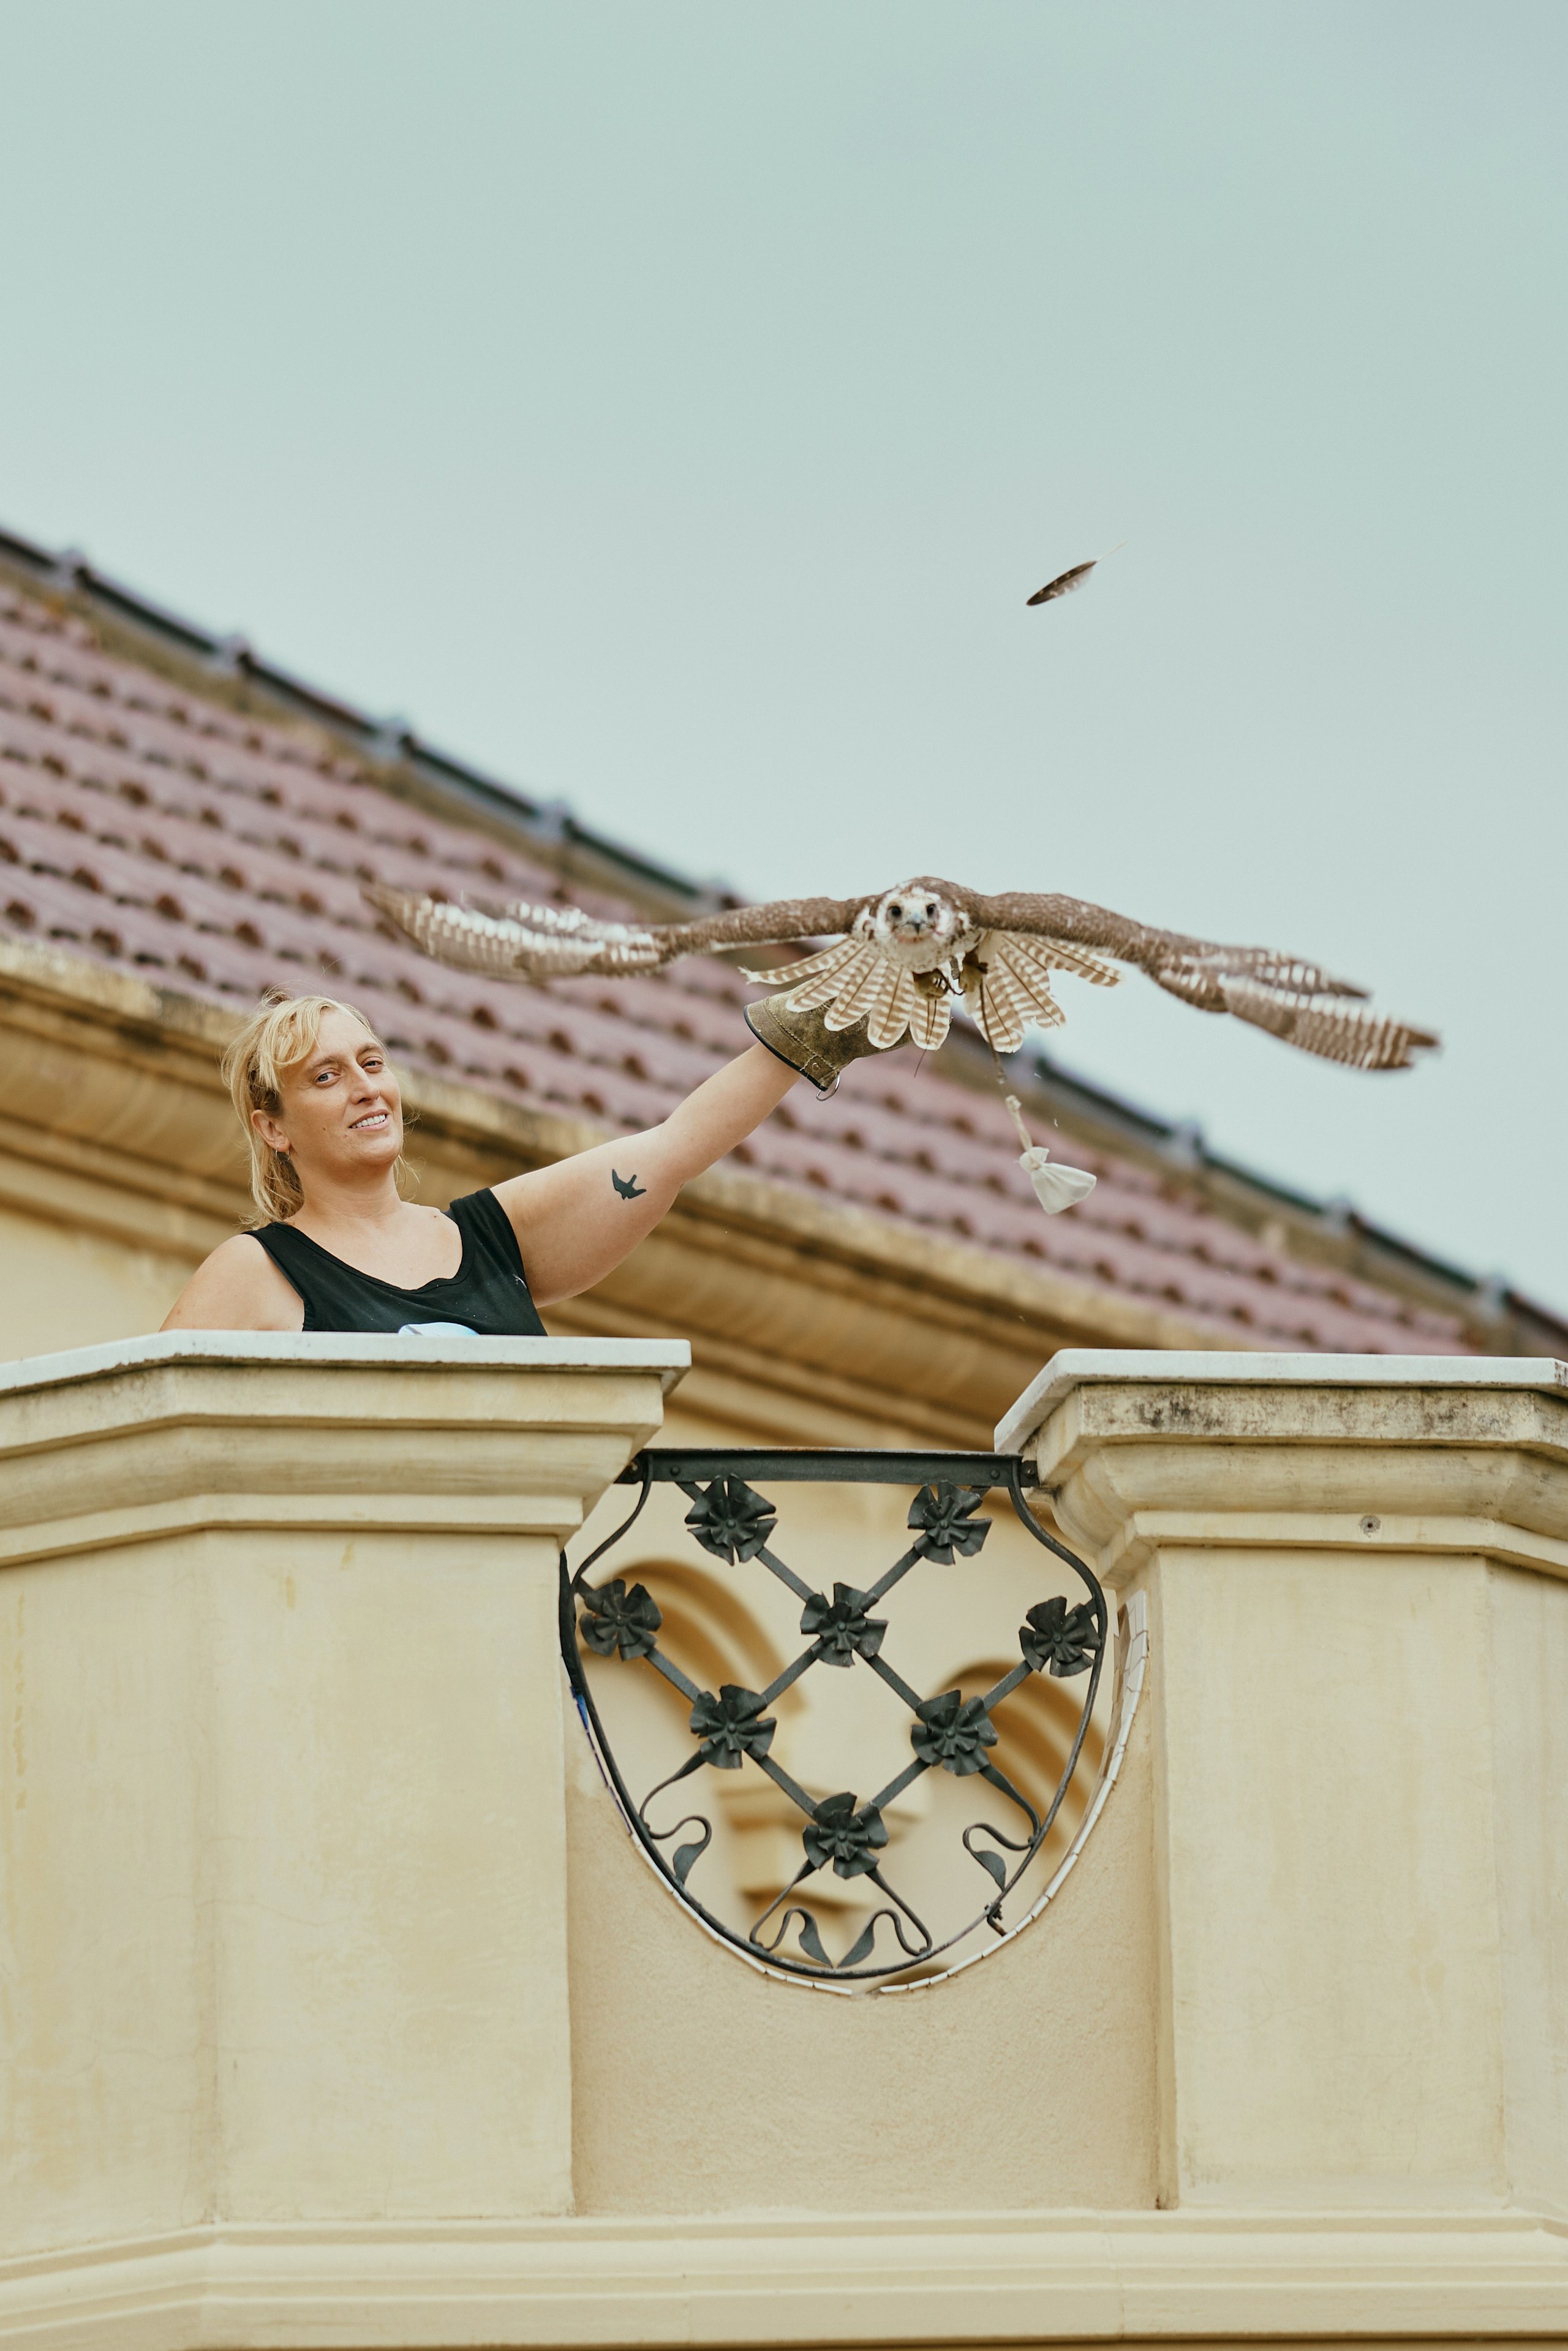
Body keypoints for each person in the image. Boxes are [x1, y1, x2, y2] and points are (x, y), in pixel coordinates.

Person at [160, 991, 804, 1334]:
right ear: (273, 1127)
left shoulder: (495, 1239)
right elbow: (149, 1431)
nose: (365, 1087)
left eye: (373, 1063)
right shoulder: (255, 1270)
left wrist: (823, 1022)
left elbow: (676, 1146)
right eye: (326, 1076)